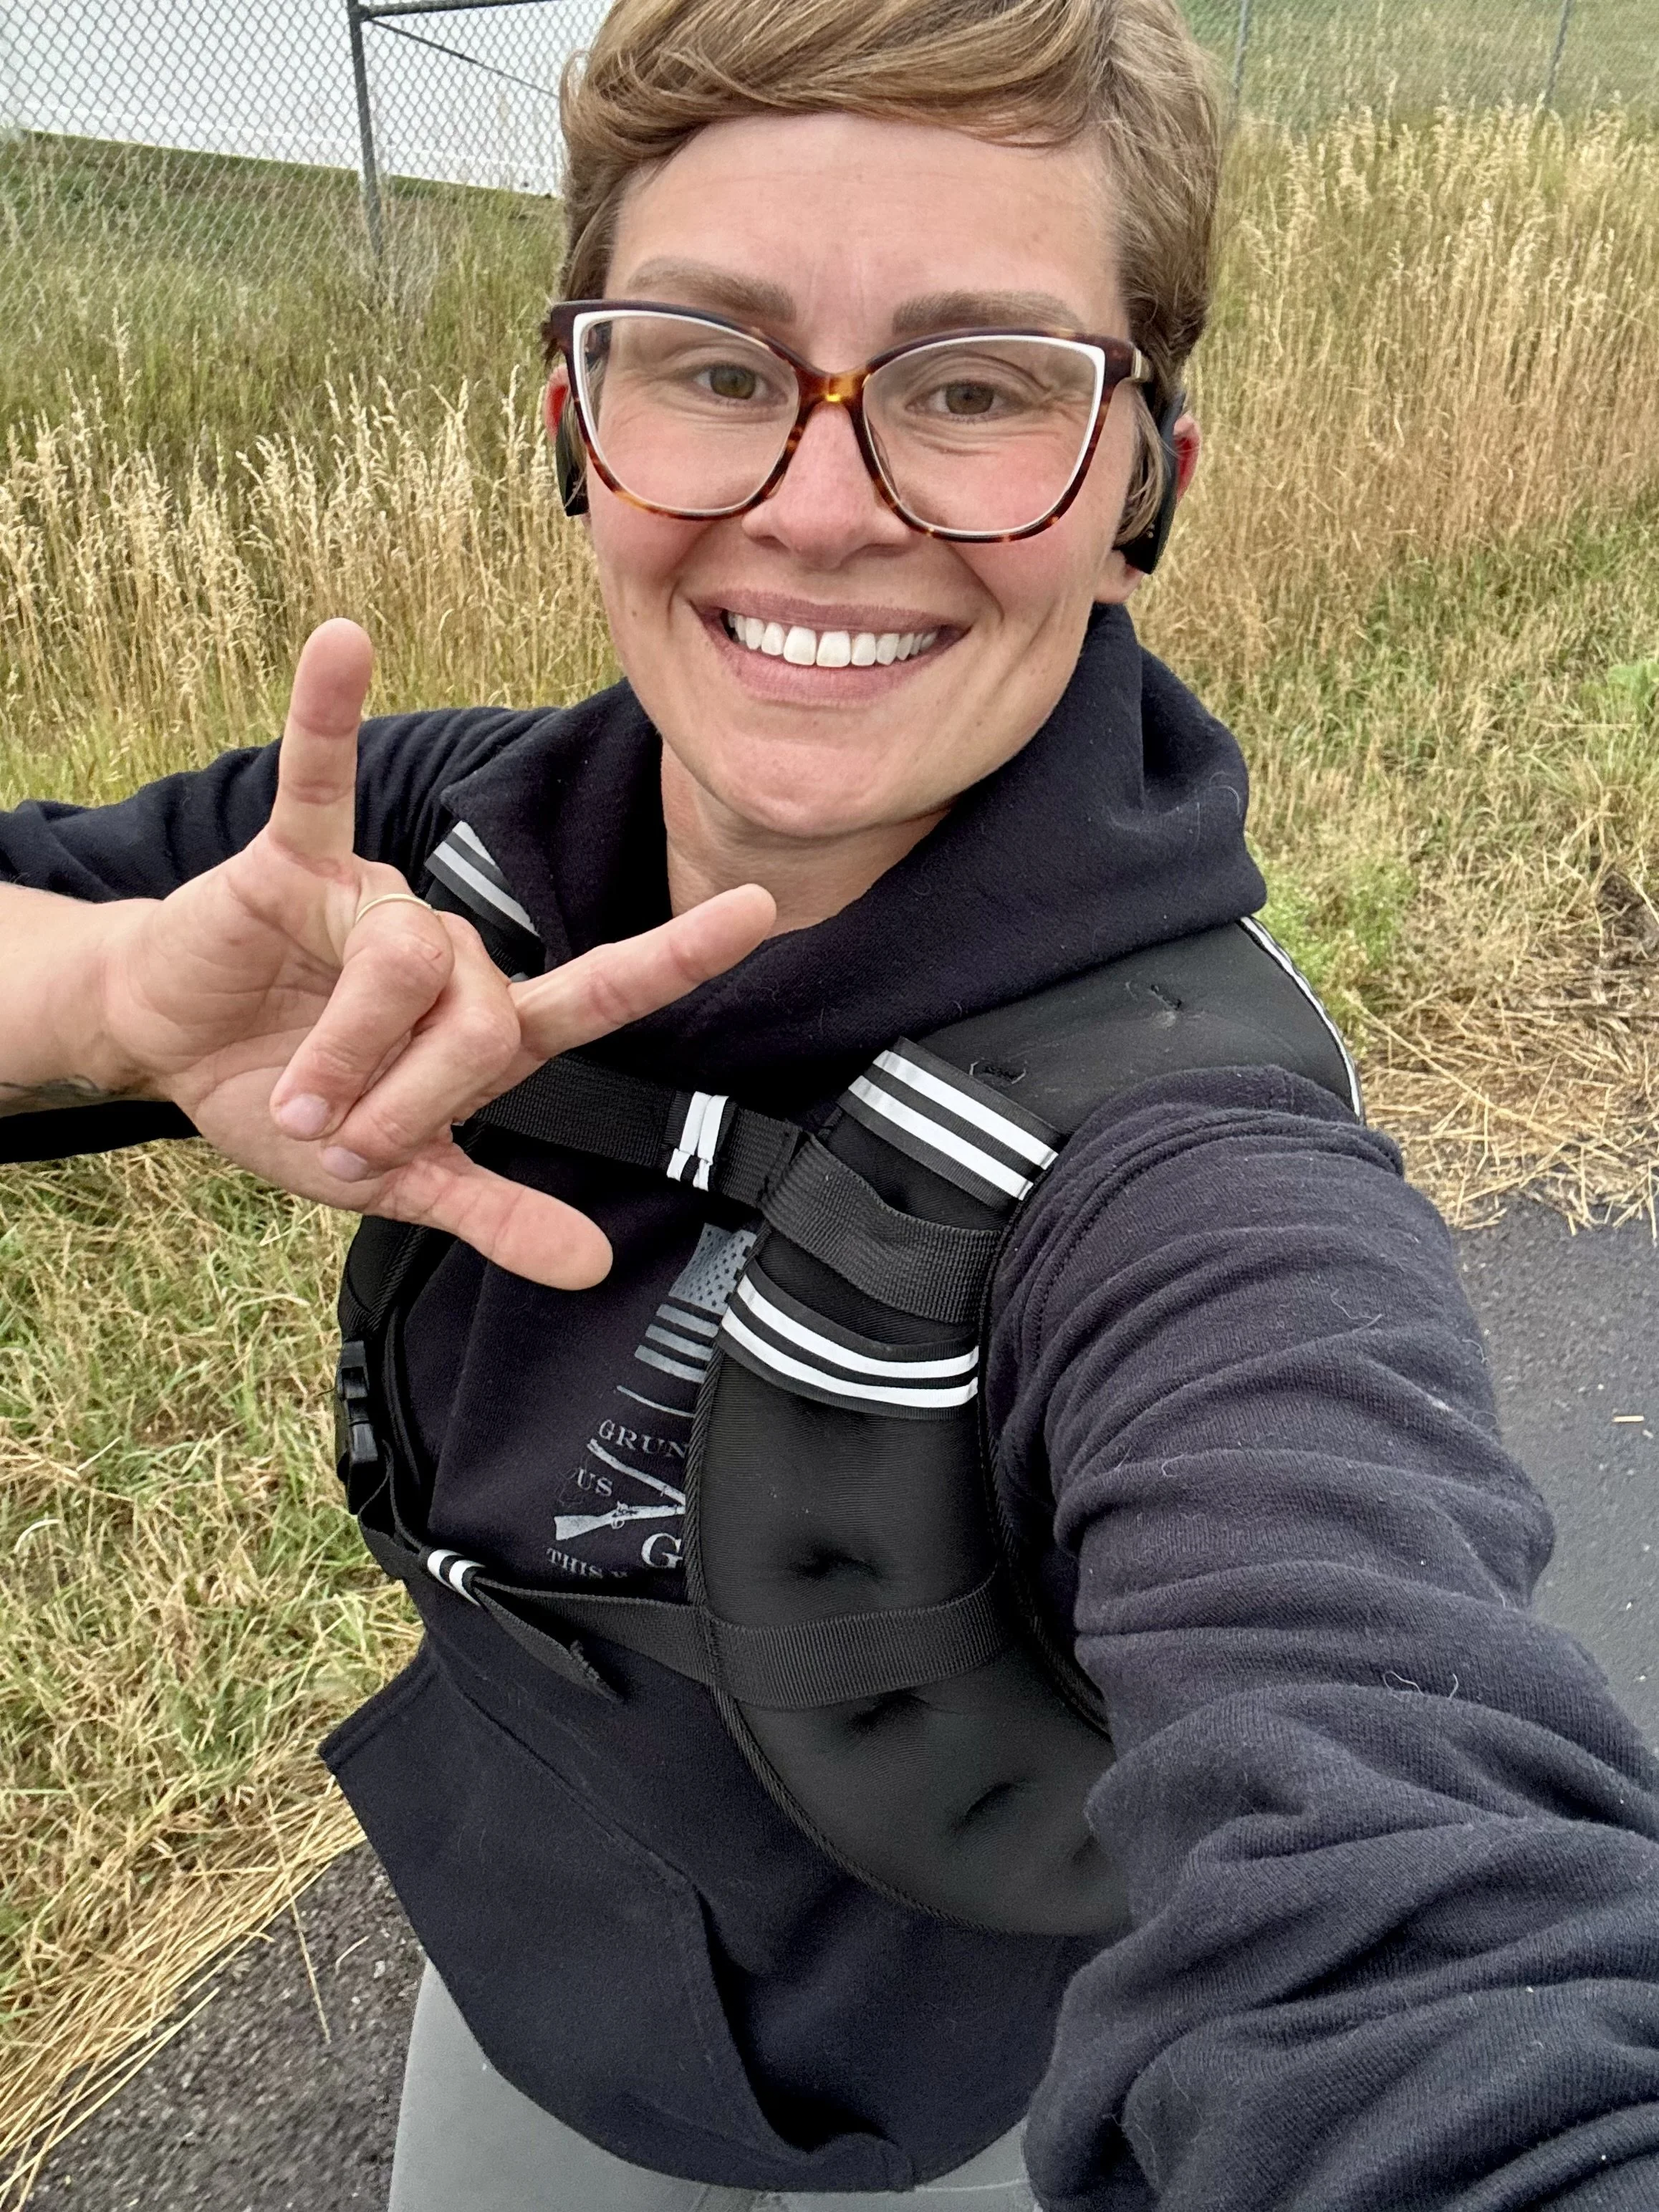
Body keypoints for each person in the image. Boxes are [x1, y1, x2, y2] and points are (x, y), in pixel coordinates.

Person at [4, 0, 1659, 2205]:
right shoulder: (436, 837)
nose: (815, 505)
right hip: (536, 1970)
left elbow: (1392, 1834)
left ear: (1143, 487)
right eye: (708, 363)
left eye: (975, 390)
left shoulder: (1188, 1174)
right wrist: (119, 990)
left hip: (959, 2101)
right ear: (573, 428)